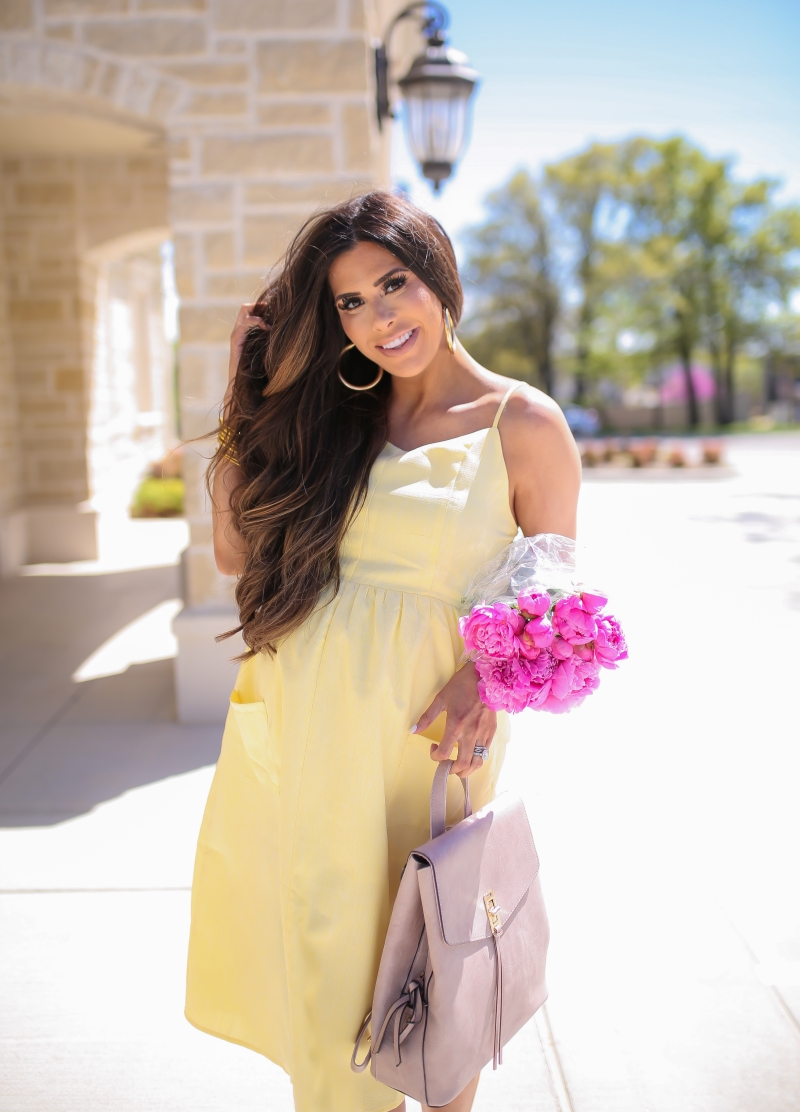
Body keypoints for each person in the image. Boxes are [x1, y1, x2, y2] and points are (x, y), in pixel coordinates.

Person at [185, 192, 580, 1112]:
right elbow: (238, 556)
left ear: (439, 278)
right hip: (308, 721)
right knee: (328, 957)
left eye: (392, 284)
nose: (377, 317)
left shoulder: (520, 423)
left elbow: (557, 594)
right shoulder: (332, 421)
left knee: (440, 963)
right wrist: (245, 393)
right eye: (349, 303)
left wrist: (488, 678)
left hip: (428, 736)